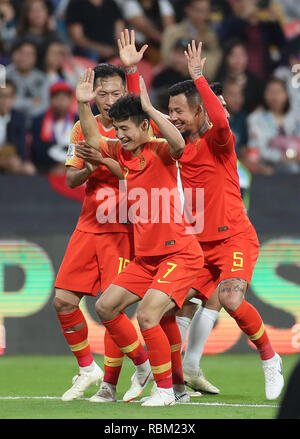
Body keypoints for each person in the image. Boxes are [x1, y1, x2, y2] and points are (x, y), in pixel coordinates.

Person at [124, 38, 285, 400]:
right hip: (196, 245)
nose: (174, 117)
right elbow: (145, 114)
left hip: (234, 239)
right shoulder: (175, 146)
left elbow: (221, 119)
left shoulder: (219, 141)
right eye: (171, 111)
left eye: (179, 111)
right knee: (170, 304)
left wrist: (198, 78)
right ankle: (180, 383)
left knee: (229, 298)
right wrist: (133, 73)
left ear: (199, 113)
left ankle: (270, 358)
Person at [76, 68, 204, 407]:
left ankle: (165, 391)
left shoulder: (161, 149)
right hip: (147, 259)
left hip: (179, 254)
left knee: (148, 316)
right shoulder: (123, 153)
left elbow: (179, 143)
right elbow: (92, 139)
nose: (120, 136)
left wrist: (150, 108)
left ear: (144, 125)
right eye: (117, 130)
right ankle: (144, 364)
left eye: (125, 129)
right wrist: (82, 104)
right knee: (105, 307)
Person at [53, 63, 136, 402]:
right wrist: (88, 165)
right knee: (62, 301)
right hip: (89, 225)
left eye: (116, 92)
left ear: (125, 93)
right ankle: (88, 368)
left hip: (124, 228)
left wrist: (102, 160)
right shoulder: (80, 129)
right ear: (93, 95)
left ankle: (110, 386)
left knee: (110, 309)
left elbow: (136, 174)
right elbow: (71, 179)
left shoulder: (135, 126)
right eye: (102, 93)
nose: (109, 99)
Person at [247, 77, 300, 174]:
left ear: (286, 95)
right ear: (265, 95)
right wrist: (281, 157)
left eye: (279, 92)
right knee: (291, 167)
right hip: (268, 169)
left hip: (296, 163)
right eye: (271, 92)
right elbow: (256, 149)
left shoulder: (295, 117)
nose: (275, 97)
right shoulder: (256, 118)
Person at [160, 0, 222, 82]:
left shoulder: (211, 36)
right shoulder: (173, 32)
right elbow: (165, 57)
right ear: (187, 9)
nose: (201, 15)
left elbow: (215, 64)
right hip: (173, 80)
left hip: (201, 83)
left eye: (205, 11)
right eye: (198, 10)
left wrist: (188, 62)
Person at [30, 80, 76, 174]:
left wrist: (67, 165)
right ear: (50, 100)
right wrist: (56, 164)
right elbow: (37, 148)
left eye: (64, 98)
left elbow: (83, 147)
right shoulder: (39, 121)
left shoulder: (79, 120)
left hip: (73, 167)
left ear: (70, 100)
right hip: (47, 167)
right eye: (57, 98)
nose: (60, 102)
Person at [6, 38, 49, 127]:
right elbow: (5, 103)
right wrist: (31, 103)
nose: (25, 57)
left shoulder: (41, 78)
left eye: (29, 54)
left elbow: (45, 105)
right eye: (22, 53)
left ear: (35, 58)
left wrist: (17, 102)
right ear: (15, 54)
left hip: (36, 123)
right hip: (9, 122)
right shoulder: (5, 75)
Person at [215, 39, 264, 114]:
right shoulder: (218, 82)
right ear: (226, 57)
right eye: (233, 55)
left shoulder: (256, 82)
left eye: (242, 54)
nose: (238, 59)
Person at [0, 78, 36, 175]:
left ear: (14, 98)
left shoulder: (19, 118)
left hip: (10, 162)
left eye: (8, 96)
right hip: (4, 162)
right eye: (1, 96)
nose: (4, 100)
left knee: (30, 169)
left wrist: (13, 160)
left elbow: (22, 151)